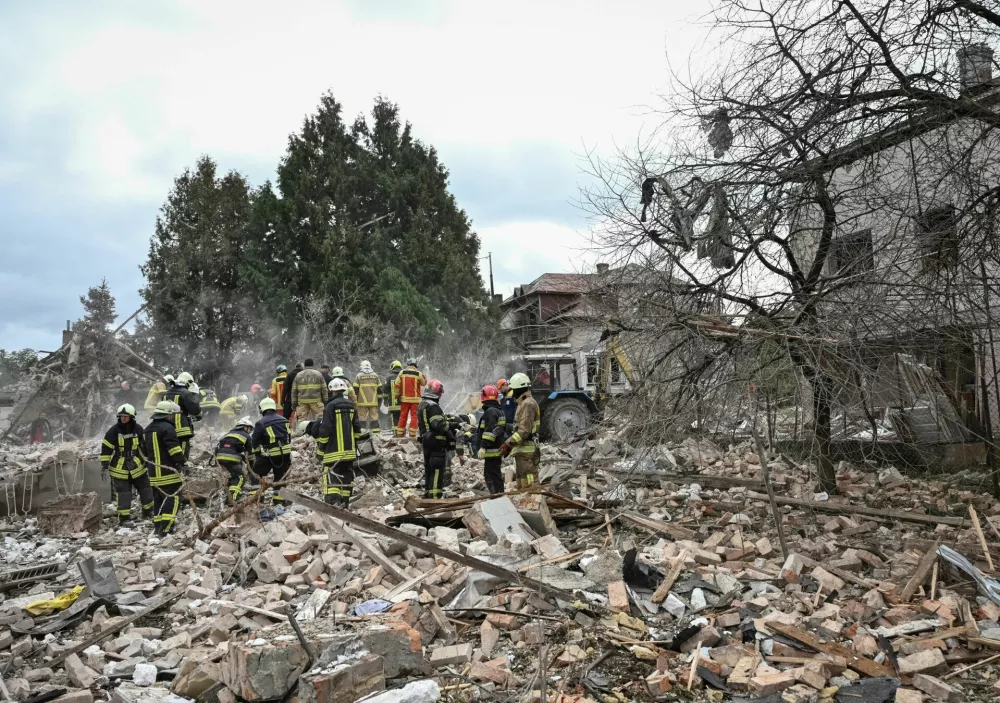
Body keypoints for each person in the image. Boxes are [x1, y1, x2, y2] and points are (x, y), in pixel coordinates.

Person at [100, 403, 154, 525]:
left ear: (132, 417)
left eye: (126, 416)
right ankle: (124, 518)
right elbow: (106, 449)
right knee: (124, 493)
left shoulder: (138, 429)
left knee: (145, 488)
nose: (123, 418)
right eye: (121, 416)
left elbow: (144, 446)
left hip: (137, 465)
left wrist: (148, 461)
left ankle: (148, 511)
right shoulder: (113, 431)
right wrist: (104, 465)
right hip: (120, 467)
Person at [316, 378, 361, 508]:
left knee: (331, 475)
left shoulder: (330, 406)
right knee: (347, 475)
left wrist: (320, 451)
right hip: (349, 452)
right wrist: (354, 444)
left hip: (333, 452)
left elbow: (325, 430)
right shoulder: (351, 405)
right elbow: (357, 428)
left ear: (331, 391)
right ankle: (345, 502)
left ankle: (332, 502)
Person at [144, 400, 186, 535]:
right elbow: (174, 449)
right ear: (168, 415)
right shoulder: (167, 428)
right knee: (172, 498)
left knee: (158, 500)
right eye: (172, 415)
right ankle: (167, 529)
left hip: (153, 473)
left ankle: (158, 527)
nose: (173, 417)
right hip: (168, 472)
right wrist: (183, 462)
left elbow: (144, 451)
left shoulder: (148, 429)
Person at [251, 398, 293, 514]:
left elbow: (254, 441)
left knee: (256, 474)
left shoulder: (261, 423)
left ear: (262, 409)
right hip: (285, 454)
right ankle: (279, 501)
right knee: (281, 477)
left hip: (270, 455)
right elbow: (288, 437)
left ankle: (257, 498)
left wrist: (258, 454)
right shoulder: (284, 420)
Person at [501, 373, 541, 489]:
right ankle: (526, 504)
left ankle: (534, 503)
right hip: (523, 450)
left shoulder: (527, 404)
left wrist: (508, 444)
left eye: (513, 390)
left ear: (518, 389)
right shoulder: (523, 403)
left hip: (527, 451)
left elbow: (524, 431)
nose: (512, 393)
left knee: (529, 482)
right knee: (522, 482)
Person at [418, 379, 454, 498]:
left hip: (426, 442)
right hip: (436, 442)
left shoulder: (423, 404)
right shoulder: (433, 406)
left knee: (429, 470)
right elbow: (438, 425)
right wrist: (454, 425)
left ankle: (428, 495)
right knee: (437, 471)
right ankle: (435, 498)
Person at [163, 372, 202, 460]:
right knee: (183, 446)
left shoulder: (166, 393)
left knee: (170, 446)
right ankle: (183, 466)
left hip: (166, 426)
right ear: (188, 382)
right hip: (181, 427)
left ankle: (173, 465)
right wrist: (198, 415)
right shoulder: (186, 393)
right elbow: (195, 409)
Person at [215, 416, 253, 502]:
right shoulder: (246, 435)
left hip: (220, 457)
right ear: (244, 426)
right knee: (240, 477)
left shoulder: (229, 433)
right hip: (231, 458)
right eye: (249, 428)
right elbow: (250, 453)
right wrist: (251, 466)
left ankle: (227, 494)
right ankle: (233, 499)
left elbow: (225, 446)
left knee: (233, 476)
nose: (250, 430)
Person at [476, 385, 506, 495]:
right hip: (496, 450)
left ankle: (497, 498)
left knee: (491, 476)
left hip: (491, 451)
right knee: (495, 475)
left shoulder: (490, 411)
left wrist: (483, 446)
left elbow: (489, 431)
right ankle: (499, 496)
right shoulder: (499, 411)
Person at [394, 358, 426, 438]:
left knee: (403, 416)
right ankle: (412, 435)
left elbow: (397, 385)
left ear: (408, 364)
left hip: (404, 399)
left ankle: (399, 435)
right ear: (416, 365)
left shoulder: (402, 372)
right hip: (415, 400)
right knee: (414, 416)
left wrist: (397, 396)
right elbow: (424, 383)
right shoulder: (419, 374)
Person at [292, 358, 328, 423]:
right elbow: (324, 389)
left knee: (301, 421)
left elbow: (294, 391)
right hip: (316, 402)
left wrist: (294, 404)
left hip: (302, 402)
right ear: (312, 364)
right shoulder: (318, 374)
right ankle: (318, 432)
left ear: (305, 365)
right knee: (319, 420)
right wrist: (326, 401)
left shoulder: (298, 375)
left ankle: (302, 433)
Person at [353, 360, 383, 435]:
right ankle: (376, 434)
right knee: (374, 417)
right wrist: (379, 401)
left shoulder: (358, 376)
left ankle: (362, 434)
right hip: (373, 402)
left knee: (362, 417)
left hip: (362, 402)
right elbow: (380, 390)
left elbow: (355, 390)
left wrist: (355, 400)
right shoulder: (375, 375)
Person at [383, 360, 403, 433]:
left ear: (392, 367)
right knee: (402, 417)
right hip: (403, 402)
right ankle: (402, 432)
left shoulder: (389, 377)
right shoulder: (403, 375)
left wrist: (385, 400)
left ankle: (396, 433)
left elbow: (385, 390)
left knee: (395, 417)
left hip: (393, 402)